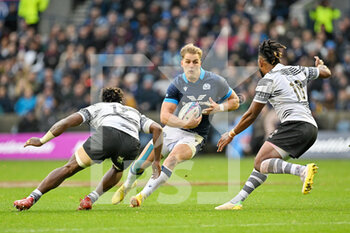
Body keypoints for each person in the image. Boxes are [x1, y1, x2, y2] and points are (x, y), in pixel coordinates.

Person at [105, 43, 240, 207]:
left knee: (172, 159)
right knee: (139, 165)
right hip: (173, 130)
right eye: (188, 62)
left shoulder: (215, 81)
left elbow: (235, 101)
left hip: (194, 137)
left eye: (195, 62)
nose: (191, 65)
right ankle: (127, 185)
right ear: (182, 63)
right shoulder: (177, 84)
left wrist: (220, 107)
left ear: (200, 63)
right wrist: (185, 122)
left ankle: (141, 196)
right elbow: (164, 116)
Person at [215, 39, 331, 210]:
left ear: (261, 62)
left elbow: (251, 114)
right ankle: (236, 201)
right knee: (263, 163)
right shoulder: (296, 69)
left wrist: (231, 134)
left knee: (259, 161)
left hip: (295, 125)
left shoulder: (268, 80)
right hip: (310, 128)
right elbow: (326, 72)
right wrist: (321, 65)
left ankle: (302, 171)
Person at [13, 87, 163, 211]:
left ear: (104, 100)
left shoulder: (97, 107)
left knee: (69, 167)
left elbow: (66, 122)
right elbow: (157, 129)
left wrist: (42, 140)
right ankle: (90, 199)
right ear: (121, 101)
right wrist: (156, 160)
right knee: (117, 169)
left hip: (107, 134)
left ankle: (31, 198)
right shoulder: (134, 112)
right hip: (131, 143)